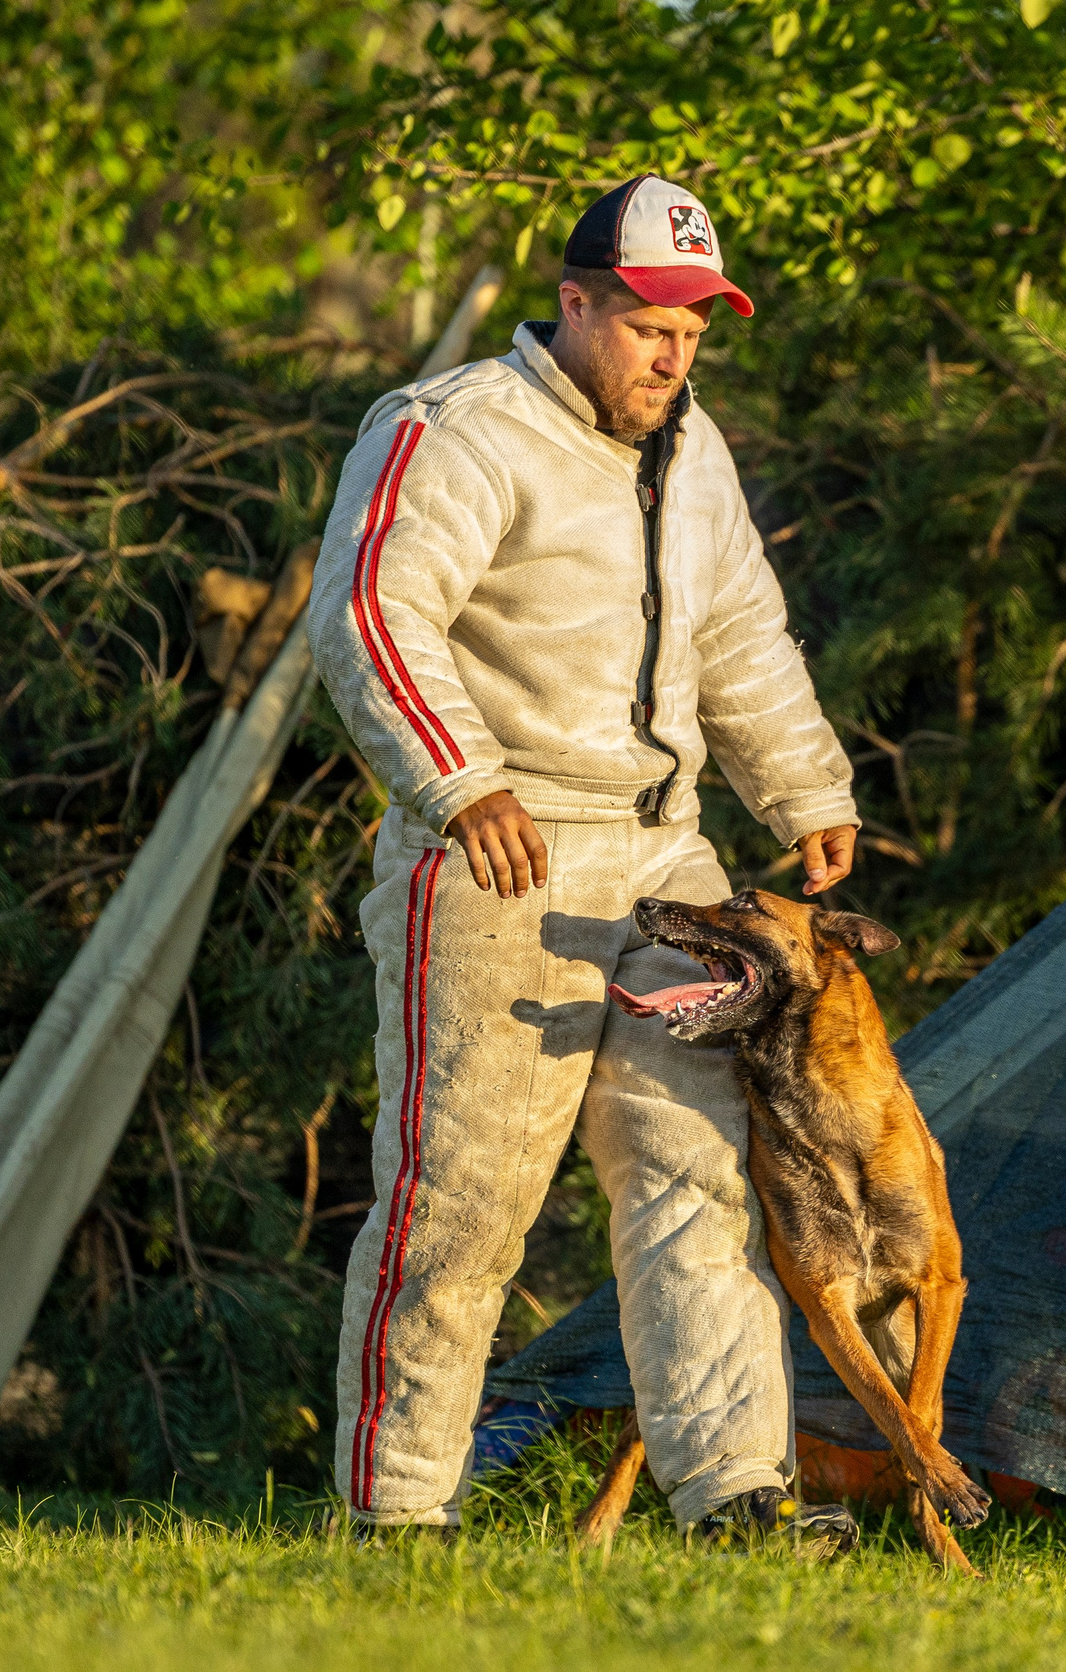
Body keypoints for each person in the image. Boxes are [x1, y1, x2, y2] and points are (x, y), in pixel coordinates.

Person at [308, 174, 864, 1545]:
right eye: (647, 323)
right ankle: (397, 1507)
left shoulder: (696, 448)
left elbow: (740, 634)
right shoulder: (455, 429)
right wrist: (460, 781)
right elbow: (371, 614)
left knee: (702, 1164)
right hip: (499, 856)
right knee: (464, 1192)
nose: (673, 353)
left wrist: (804, 785)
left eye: (693, 329)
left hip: (667, 860)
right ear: (575, 304)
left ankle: (735, 1493)